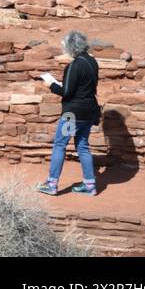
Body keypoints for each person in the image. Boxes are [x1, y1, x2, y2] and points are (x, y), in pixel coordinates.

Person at [35, 30, 100, 196]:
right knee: (83, 146)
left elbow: (67, 92)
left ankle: (51, 184)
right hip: (89, 112)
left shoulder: (74, 65)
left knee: (60, 145)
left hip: (73, 115)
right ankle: (90, 185)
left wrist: (50, 84)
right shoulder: (92, 61)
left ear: (71, 47)